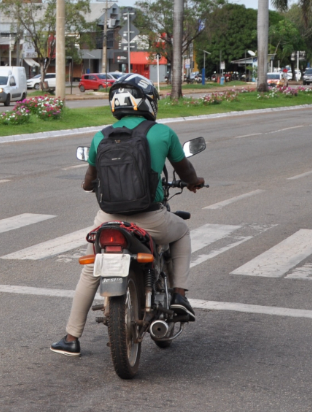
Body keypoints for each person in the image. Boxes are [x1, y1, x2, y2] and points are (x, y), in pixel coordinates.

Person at [51, 74, 206, 357]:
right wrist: (194, 183)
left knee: (90, 270)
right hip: (151, 218)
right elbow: (185, 171)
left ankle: (71, 337)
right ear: (147, 102)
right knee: (182, 231)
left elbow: (89, 180)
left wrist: (90, 185)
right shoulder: (162, 133)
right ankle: (180, 295)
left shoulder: (101, 136)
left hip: (108, 219)